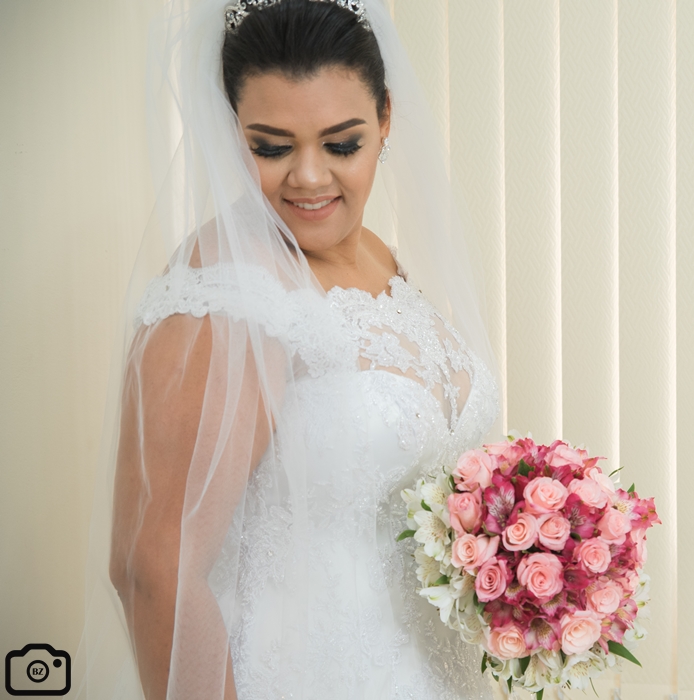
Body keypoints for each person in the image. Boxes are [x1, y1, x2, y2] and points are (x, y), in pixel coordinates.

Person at [74, 0, 500, 698]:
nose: (308, 178)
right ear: (228, 133)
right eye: (271, 147)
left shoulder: (378, 257)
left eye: (342, 144)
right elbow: (152, 570)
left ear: (385, 120)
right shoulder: (227, 292)